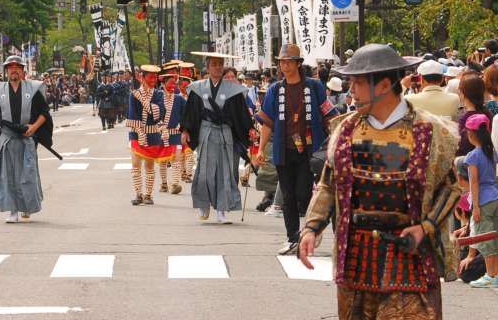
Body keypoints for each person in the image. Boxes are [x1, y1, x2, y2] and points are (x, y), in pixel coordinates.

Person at [298, 44, 462, 319]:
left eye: (358, 83)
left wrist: (426, 227)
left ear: (384, 84)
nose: (352, 91)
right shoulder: (346, 131)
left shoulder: (430, 132)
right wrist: (311, 229)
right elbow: (329, 184)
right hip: (356, 256)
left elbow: (450, 187)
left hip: (410, 254)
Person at [255, 44, 338, 253]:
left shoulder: (314, 86)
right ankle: (292, 236)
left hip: (310, 150)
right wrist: (260, 149)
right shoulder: (275, 89)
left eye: (288, 61)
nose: (284, 65)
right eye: (281, 61)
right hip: (284, 149)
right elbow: (267, 122)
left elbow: (329, 114)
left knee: (304, 192)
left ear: (298, 64)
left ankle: (311, 231)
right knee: (288, 195)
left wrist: (338, 137)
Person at [181, 52, 253, 223]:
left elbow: (241, 113)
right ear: (207, 67)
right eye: (214, 64)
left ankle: (222, 210)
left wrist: (250, 128)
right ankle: (203, 205)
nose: (218, 67)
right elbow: (190, 113)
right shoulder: (198, 87)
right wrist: (185, 131)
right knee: (204, 172)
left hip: (225, 132)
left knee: (225, 172)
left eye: (220, 64)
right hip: (206, 132)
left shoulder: (232, 89)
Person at [0, 56, 53, 223]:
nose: (14, 70)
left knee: (27, 174)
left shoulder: (32, 89)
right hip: (7, 139)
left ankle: (27, 206)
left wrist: (33, 128)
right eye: (10, 67)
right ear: (6, 71)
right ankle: (12, 210)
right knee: (8, 176)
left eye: (17, 67)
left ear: (22, 70)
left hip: (26, 138)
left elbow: (44, 113)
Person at [461, 113, 498, 287]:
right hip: (495, 196)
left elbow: (474, 182)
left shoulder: (472, 156)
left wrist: (475, 206)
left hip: (483, 200)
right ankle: (495, 274)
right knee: (494, 236)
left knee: (486, 239)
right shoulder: (492, 152)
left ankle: (491, 275)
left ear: (470, 134)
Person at [125, 65, 168, 205]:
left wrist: (143, 101)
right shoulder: (133, 94)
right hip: (137, 133)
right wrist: (139, 132)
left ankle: (148, 194)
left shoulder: (159, 94)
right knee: (136, 165)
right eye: (150, 77)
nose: (153, 80)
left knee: (149, 166)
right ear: (142, 78)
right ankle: (138, 193)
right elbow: (132, 114)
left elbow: (159, 113)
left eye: (155, 77)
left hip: (152, 133)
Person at [158, 71, 185, 195]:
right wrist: (160, 126)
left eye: (174, 83)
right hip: (161, 132)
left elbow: (186, 114)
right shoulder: (158, 97)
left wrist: (182, 125)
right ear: (163, 83)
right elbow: (154, 115)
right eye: (170, 83)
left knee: (177, 159)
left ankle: (174, 183)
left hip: (175, 132)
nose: (172, 85)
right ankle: (164, 183)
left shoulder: (179, 99)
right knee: (162, 159)